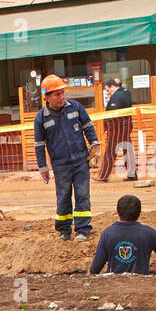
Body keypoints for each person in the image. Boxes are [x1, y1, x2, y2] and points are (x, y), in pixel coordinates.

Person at [34, 74, 102, 241]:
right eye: (57, 94)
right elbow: (39, 145)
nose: (61, 97)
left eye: (62, 93)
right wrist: (43, 168)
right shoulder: (41, 118)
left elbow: (88, 126)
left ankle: (83, 230)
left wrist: (94, 144)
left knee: (82, 194)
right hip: (61, 165)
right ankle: (64, 230)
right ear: (47, 97)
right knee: (63, 196)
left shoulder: (75, 107)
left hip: (80, 161)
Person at [89, 194, 156, 274]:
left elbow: (97, 264)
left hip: (114, 283)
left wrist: (90, 275)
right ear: (139, 213)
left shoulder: (108, 233)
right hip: (141, 283)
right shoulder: (148, 233)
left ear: (118, 212)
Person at [97, 77, 138, 182]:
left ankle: (103, 175)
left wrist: (106, 125)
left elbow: (112, 111)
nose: (108, 93)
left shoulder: (117, 96)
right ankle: (132, 174)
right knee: (127, 150)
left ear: (112, 87)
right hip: (126, 125)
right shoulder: (126, 92)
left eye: (108, 90)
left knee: (110, 150)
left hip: (116, 127)